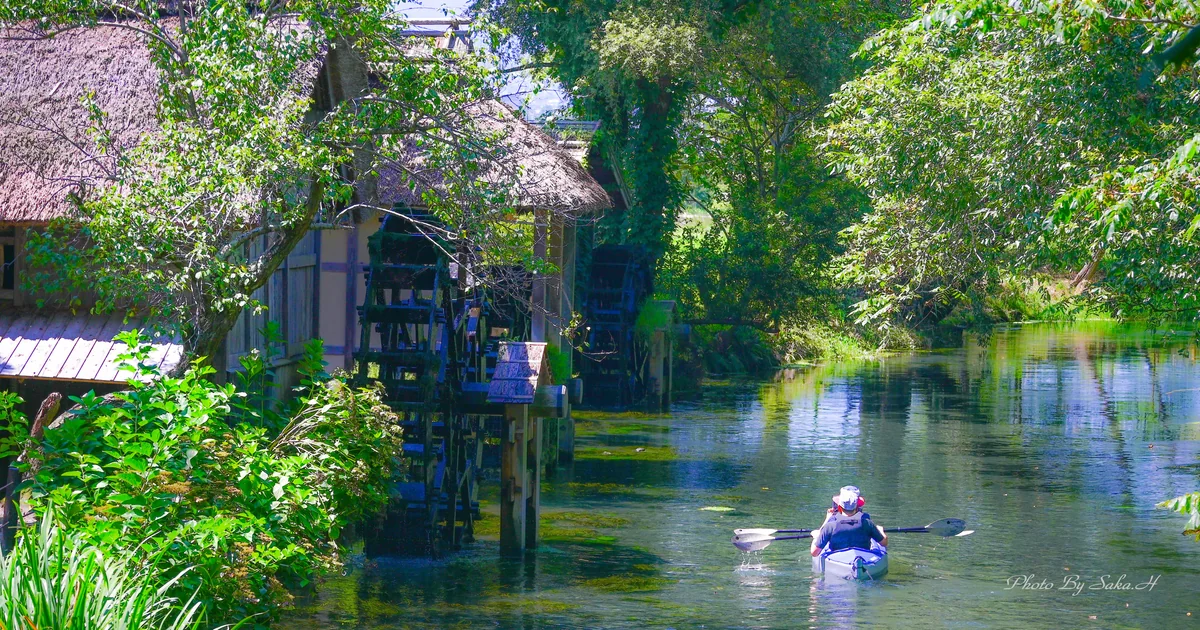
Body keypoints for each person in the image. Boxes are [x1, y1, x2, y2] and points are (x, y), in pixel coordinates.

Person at [810, 485, 887, 557]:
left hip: (839, 559)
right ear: (857, 506)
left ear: (839, 506)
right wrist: (881, 531)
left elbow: (814, 553)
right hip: (863, 557)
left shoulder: (830, 525)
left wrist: (816, 537)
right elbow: (884, 543)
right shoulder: (867, 523)